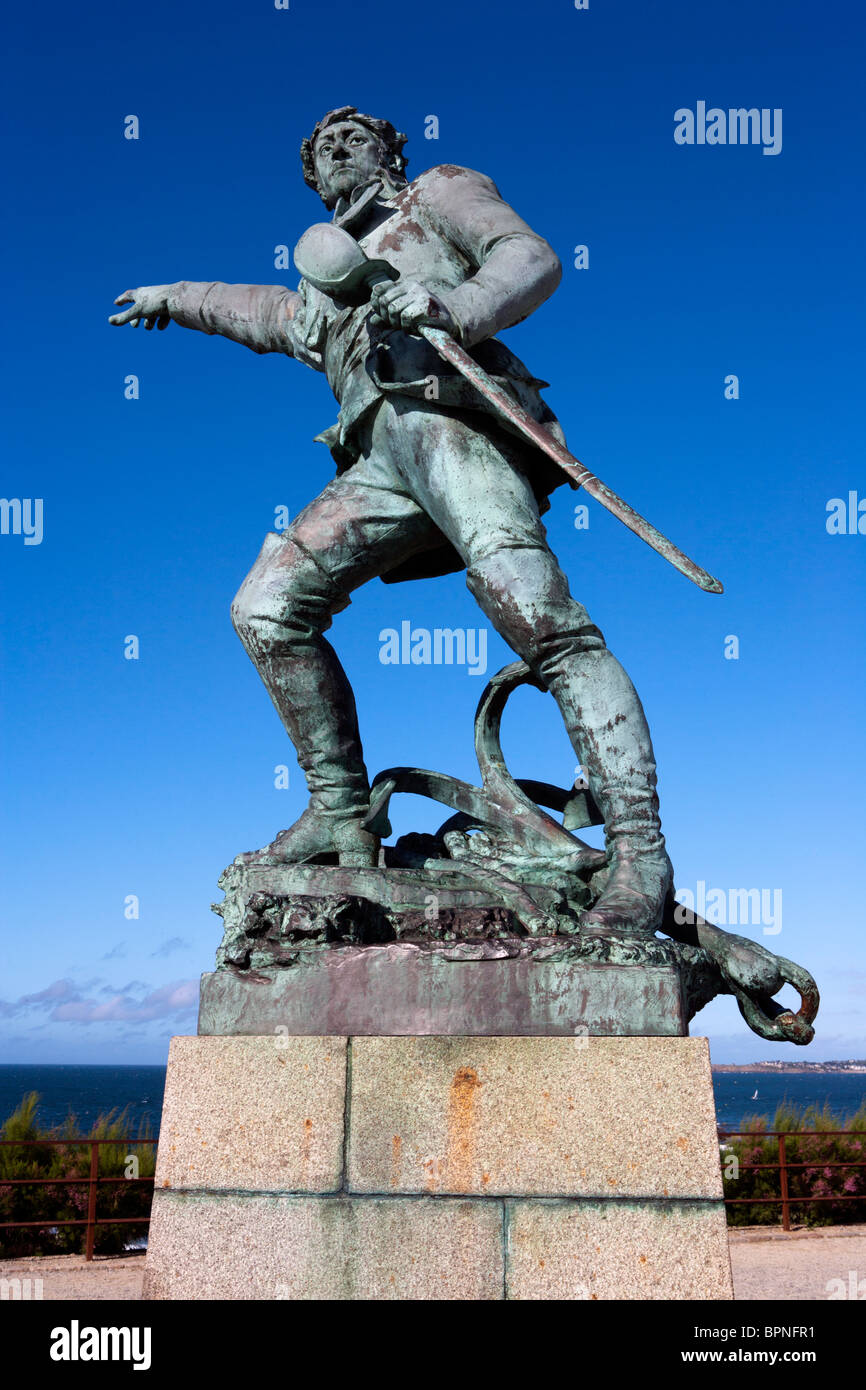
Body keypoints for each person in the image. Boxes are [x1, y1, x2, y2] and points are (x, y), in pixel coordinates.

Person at [109, 106, 673, 937]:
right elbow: (259, 312)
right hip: (379, 463)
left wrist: (455, 303)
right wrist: (176, 296)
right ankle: (340, 813)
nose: (338, 148)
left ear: (389, 153)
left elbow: (530, 257)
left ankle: (640, 856)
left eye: (355, 137)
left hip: (453, 423)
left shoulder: (438, 192)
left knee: (543, 623)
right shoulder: (319, 285)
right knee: (266, 609)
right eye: (322, 146)